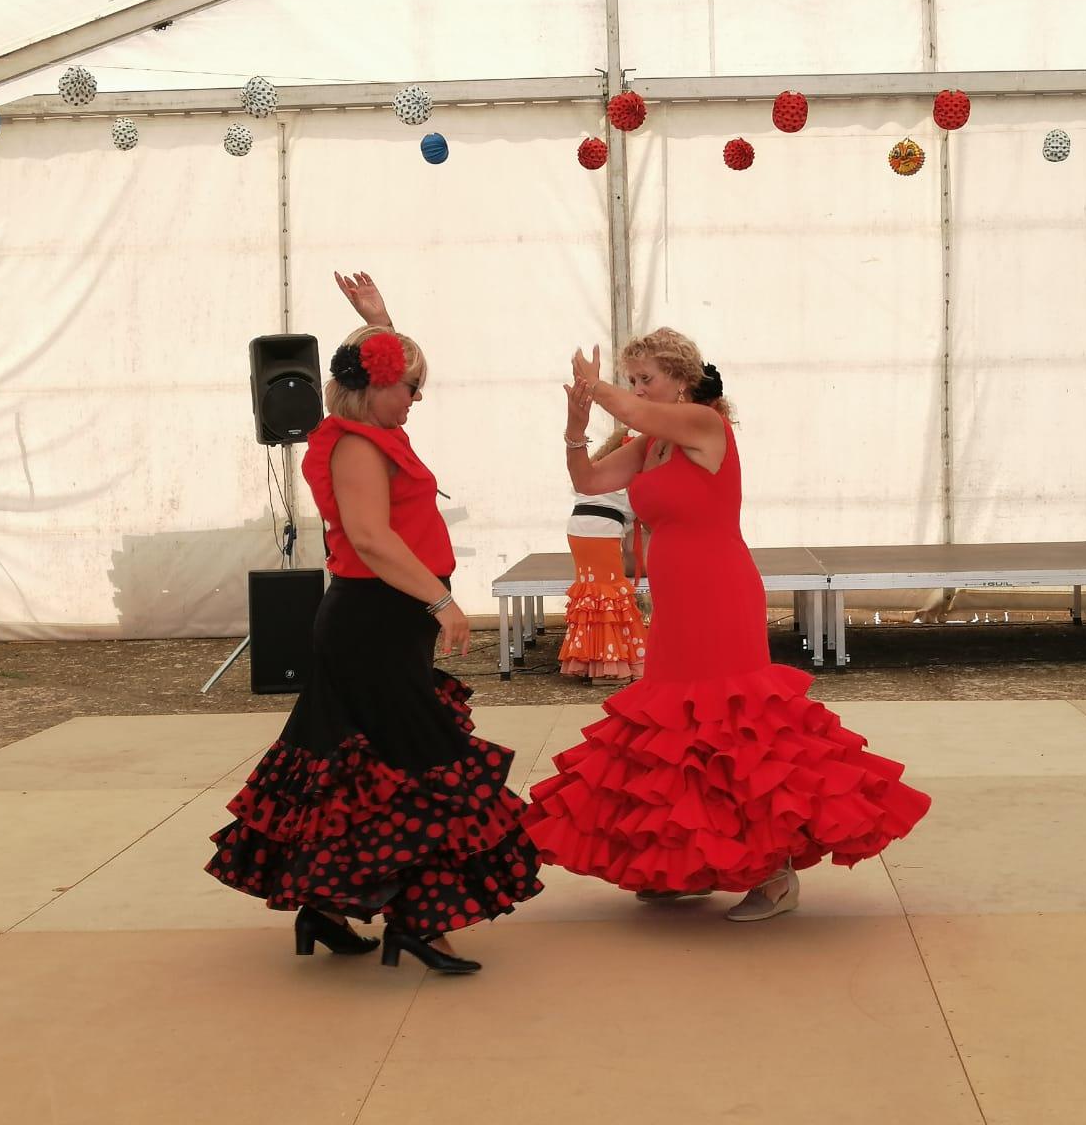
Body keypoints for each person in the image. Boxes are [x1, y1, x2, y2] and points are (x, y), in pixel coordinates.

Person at [524, 328, 930, 921]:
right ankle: (688, 863)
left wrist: (599, 388)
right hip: (676, 602)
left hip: (719, 592)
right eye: (632, 378)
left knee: (736, 726)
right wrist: (574, 424)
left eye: (646, 378)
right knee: (676, 730)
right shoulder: (650, 444)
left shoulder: (704, 424)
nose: (638, 388)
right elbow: (588, 482)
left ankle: (774, 874)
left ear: (681, 380)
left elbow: (633, 411)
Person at [205, 272, 542, 973]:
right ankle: (421, 922)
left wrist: (381, 321)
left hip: (380, 621)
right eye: (410, 387)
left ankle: (324, 907)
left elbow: (382, 387)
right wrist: (442, 603)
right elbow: (371, 539)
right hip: (376, 622)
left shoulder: (371, 432)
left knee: (354, 766)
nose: (417, 398)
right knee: (422, 764)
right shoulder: (357, 444)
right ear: (376, 385)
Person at [560, 429, 647, 685]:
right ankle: (607, 666)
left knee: (591, 594)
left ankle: (593, 660)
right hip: (602, 530)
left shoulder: (602, 468)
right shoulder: (631, 473)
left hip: (578, 527)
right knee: (607, 594)